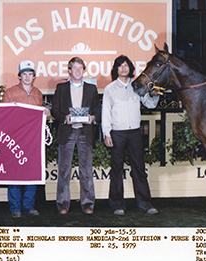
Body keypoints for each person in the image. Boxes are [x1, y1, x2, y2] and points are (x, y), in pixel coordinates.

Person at [102, 55, 159, 215]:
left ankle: (145, 204)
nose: (124, 68)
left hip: (135, 133)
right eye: (120, 66)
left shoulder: (137, 86)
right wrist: (107, 134)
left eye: (126, 65)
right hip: (117, 133)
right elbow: (106, 113)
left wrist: (154, 94)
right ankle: (117, 205)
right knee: (116, 169)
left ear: (131, 68)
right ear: (116, 69)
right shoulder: (110, 89)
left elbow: (149, 103)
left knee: (139, 169)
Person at [51, 57, 101, 215]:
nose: (78, 71)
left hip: (85, 132)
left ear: (84, 70)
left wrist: (93, 117)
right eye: (75, 68)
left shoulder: (92, 89)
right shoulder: (61, 88)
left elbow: (98, 108)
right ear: (69, 70)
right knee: (64, 170)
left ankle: (87, 204)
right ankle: (62, 204)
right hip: (68, 132)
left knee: (86, 170)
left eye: (81, 68)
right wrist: (64, 118)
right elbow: (55, 110)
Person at [1, 60, 50, 218]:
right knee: (14, 172)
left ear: (34, 77)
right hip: (14, 138)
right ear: (19, 76)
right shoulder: (10, 93)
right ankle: (15, 206)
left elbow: (40, 117)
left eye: (30, 74)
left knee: (32, 171)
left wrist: (46, 112)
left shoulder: (38, 94)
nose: (27, 77)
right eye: (24, 74)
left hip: (33, 140)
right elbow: (2, 115)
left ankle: (28, 205)